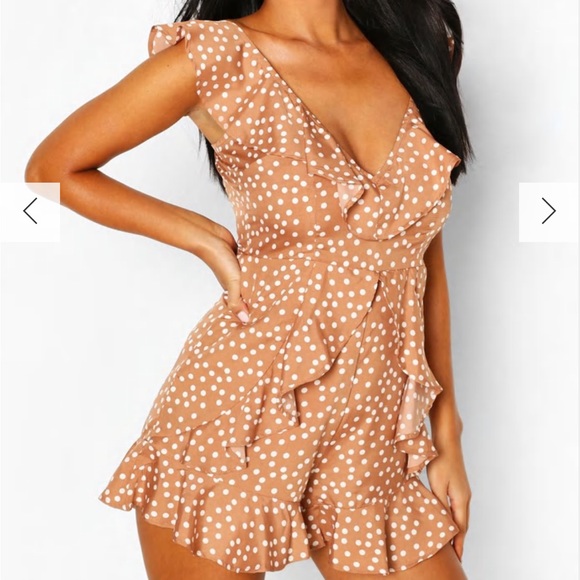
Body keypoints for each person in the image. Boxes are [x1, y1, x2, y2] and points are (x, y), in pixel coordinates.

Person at [25, 0, 473, 578]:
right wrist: (199, 236)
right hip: (235, 423)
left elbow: (420, 252)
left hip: (371, 440)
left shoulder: (416, 51)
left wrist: (447, 433)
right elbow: (52, 169)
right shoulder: (217, 56)